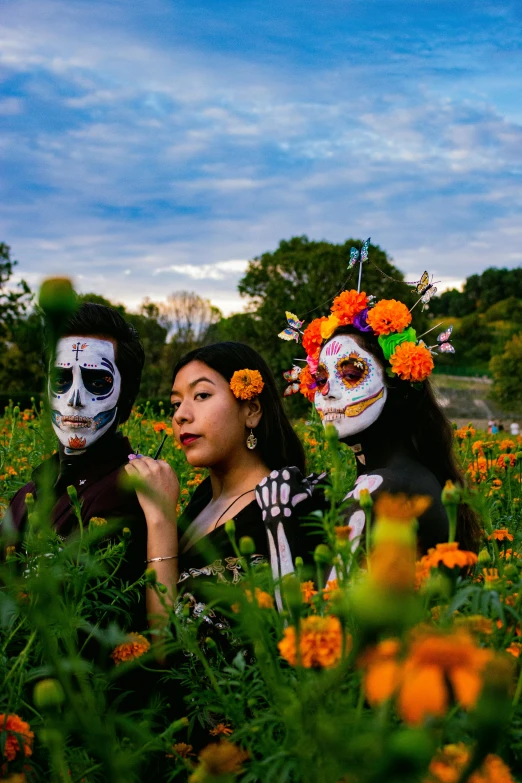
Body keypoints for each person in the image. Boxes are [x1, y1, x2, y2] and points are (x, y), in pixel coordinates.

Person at [125, 341, 323, 621]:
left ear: (252, 410)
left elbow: (170, 649)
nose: (181, 415)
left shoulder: (277, 513)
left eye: (202, 395)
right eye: (176, 403)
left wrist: (161, 519)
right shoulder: (206, 495)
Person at [297, 289, 481, 560]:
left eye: (350, 374)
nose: (327, 391)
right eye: (321, 379)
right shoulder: (402, 476)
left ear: (399, 388)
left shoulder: (385, 487)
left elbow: (325, 599)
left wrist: (279, 520)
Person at [3, 302, 150, 628]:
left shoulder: (131, 493)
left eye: (97, 382)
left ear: (125, 395)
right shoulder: (29, 493)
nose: (74, 398)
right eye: (60, 379)